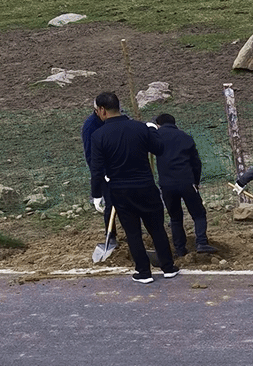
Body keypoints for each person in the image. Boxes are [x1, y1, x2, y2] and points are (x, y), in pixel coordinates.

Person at [87, 92, 177, 284]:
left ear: (102, 110)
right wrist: (152, 130)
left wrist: (96, 194)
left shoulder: (98, 136)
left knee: (133, 232)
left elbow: (96, 169)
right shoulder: (140, 128)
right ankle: (168, 267)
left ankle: (143, 272)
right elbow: (159, 149)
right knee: (157, 228)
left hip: (120, 190)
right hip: (146, 186)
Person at [151, 113, 216, 257]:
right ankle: (201, 242)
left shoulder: (156, 137)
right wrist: (196, 182)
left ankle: (179, 249)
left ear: (158, 124)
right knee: (198, 213)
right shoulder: (185, 137)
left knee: (175, 217)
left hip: (166, 184)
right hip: (186, 181)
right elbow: (196, 162)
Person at [80, 105, 114, 249]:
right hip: (105, 172)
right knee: (110, 204)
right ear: (98, 110)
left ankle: (134, 232)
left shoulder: (116, 118)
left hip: (121, 167)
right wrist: (98, 178)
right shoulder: (90, 127)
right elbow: (91, 156)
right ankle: (111, 236)